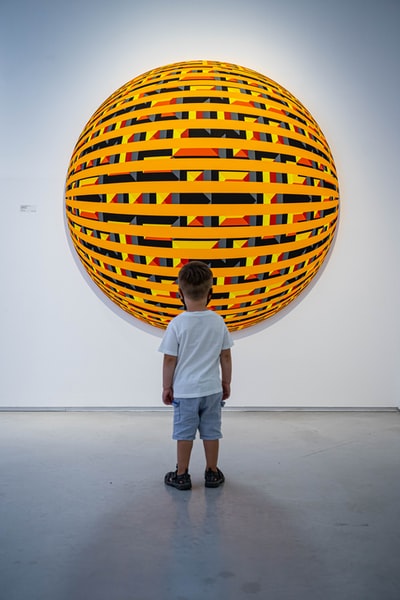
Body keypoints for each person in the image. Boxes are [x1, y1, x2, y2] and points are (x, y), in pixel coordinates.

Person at [159, 260, 233, 490]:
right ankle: (212, 471)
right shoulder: (218, 322)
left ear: (180, 293)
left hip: (185, 391)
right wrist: (226, 382)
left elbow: (170, 358)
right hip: (212, 389)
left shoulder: (177, 324)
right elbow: (226, 356)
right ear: (210, 293)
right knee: (212, 431)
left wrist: (166, 386)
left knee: (185, 433)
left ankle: (181, 474)